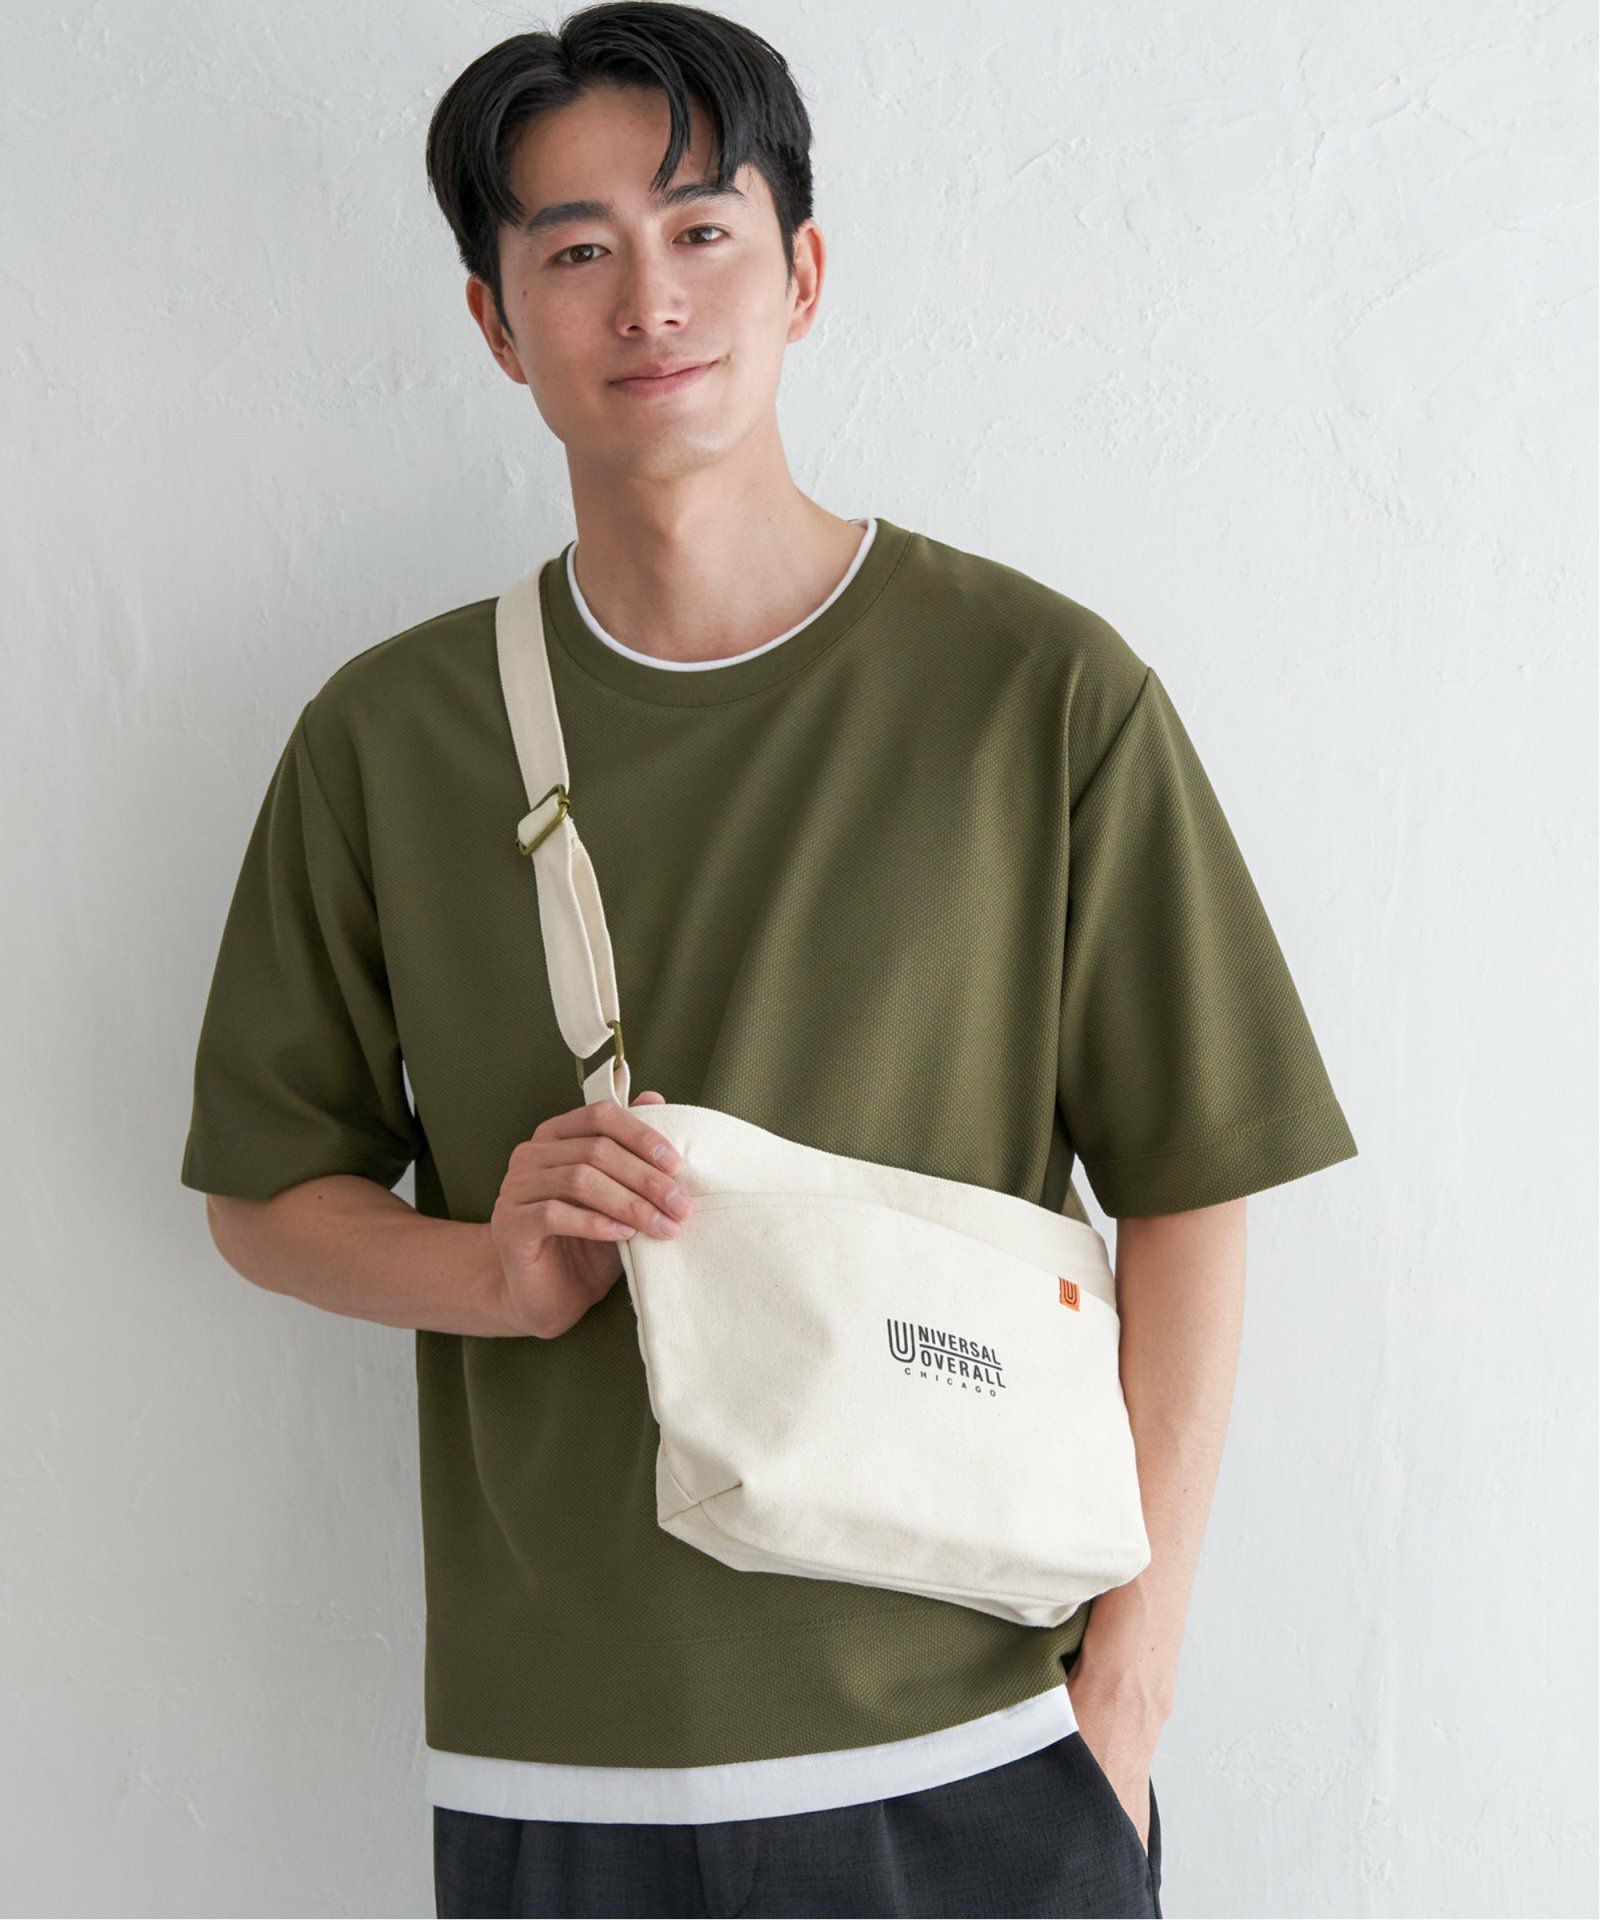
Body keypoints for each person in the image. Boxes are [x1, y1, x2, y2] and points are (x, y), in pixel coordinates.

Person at [180, 5, 1359, 1915]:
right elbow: (265, 1195)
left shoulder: (1039, 690)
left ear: (802, 274)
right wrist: (492, 1275)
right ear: (496, 323)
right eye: (576, 248)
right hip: (560, 1762)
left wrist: (1125, 1709)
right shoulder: (387, 741)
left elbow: (1194, 1184)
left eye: (701, 228)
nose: (648, 297)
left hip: (983, 1748)